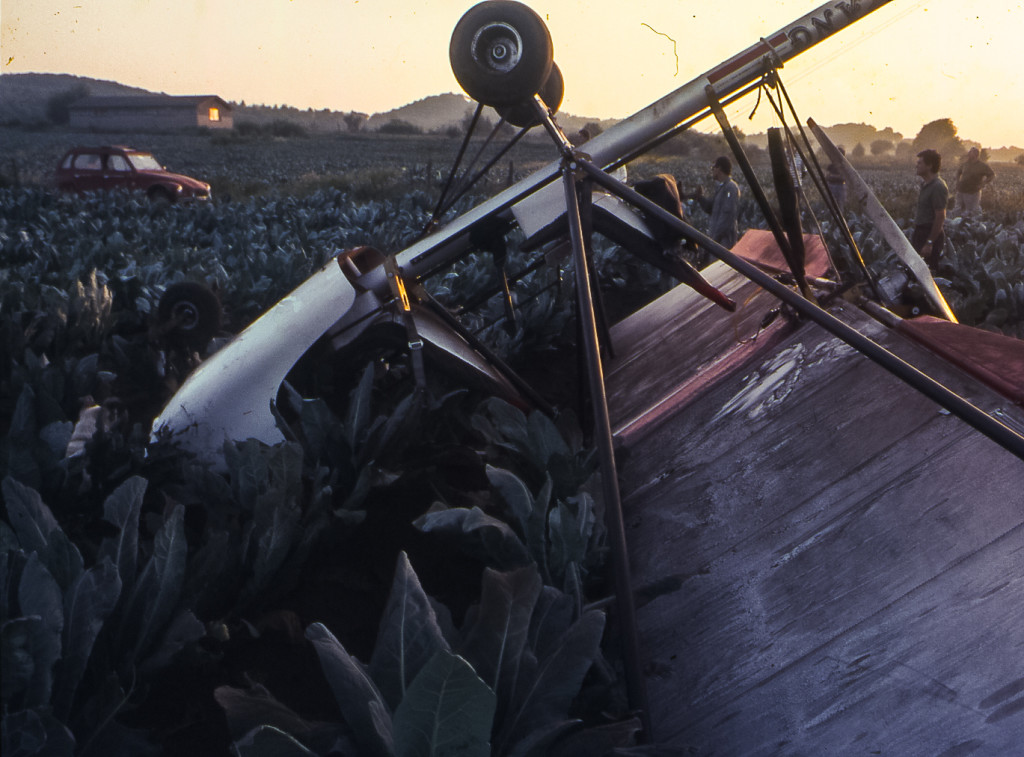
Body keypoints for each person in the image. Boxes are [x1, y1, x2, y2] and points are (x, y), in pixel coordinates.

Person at [911, 149, 948, 268]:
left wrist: (930, 242)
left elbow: (940, 217)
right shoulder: (925, 185)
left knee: (928, 272)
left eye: (920, 162)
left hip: (929, 234)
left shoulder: (938, 186)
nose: (917, 164)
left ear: (930, 165)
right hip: (920, 233)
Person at [694, 156, 740, 248]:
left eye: (713, 168)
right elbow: (711, 208)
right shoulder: (721, 188)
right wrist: (700, 198)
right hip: (717, 241)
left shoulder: (730, 188)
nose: (712, 171)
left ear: (719, 168)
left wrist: (715, 239)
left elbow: (727, 216)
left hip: (723, 243)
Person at [953, 147, 995, 217]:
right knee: (958, 208)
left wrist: (983, 183)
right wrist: (958, 181)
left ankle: (972, 224)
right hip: (961, 189)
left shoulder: (982, 166)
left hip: (973, 191)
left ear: (976, 155)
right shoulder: (965, 164)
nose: (968, 154)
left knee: (973, 210)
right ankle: (956, 223)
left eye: (970, 152)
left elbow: (992, 175)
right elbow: (958, 172)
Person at [825, 146, 847, 211]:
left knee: (840, 206)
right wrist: (837, 177)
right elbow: (826, 176)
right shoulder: (831, 166)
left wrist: (833, 176)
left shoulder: (844, 166)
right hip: (832, 186)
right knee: (831, 205)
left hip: (840, 187)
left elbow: (844, 177)